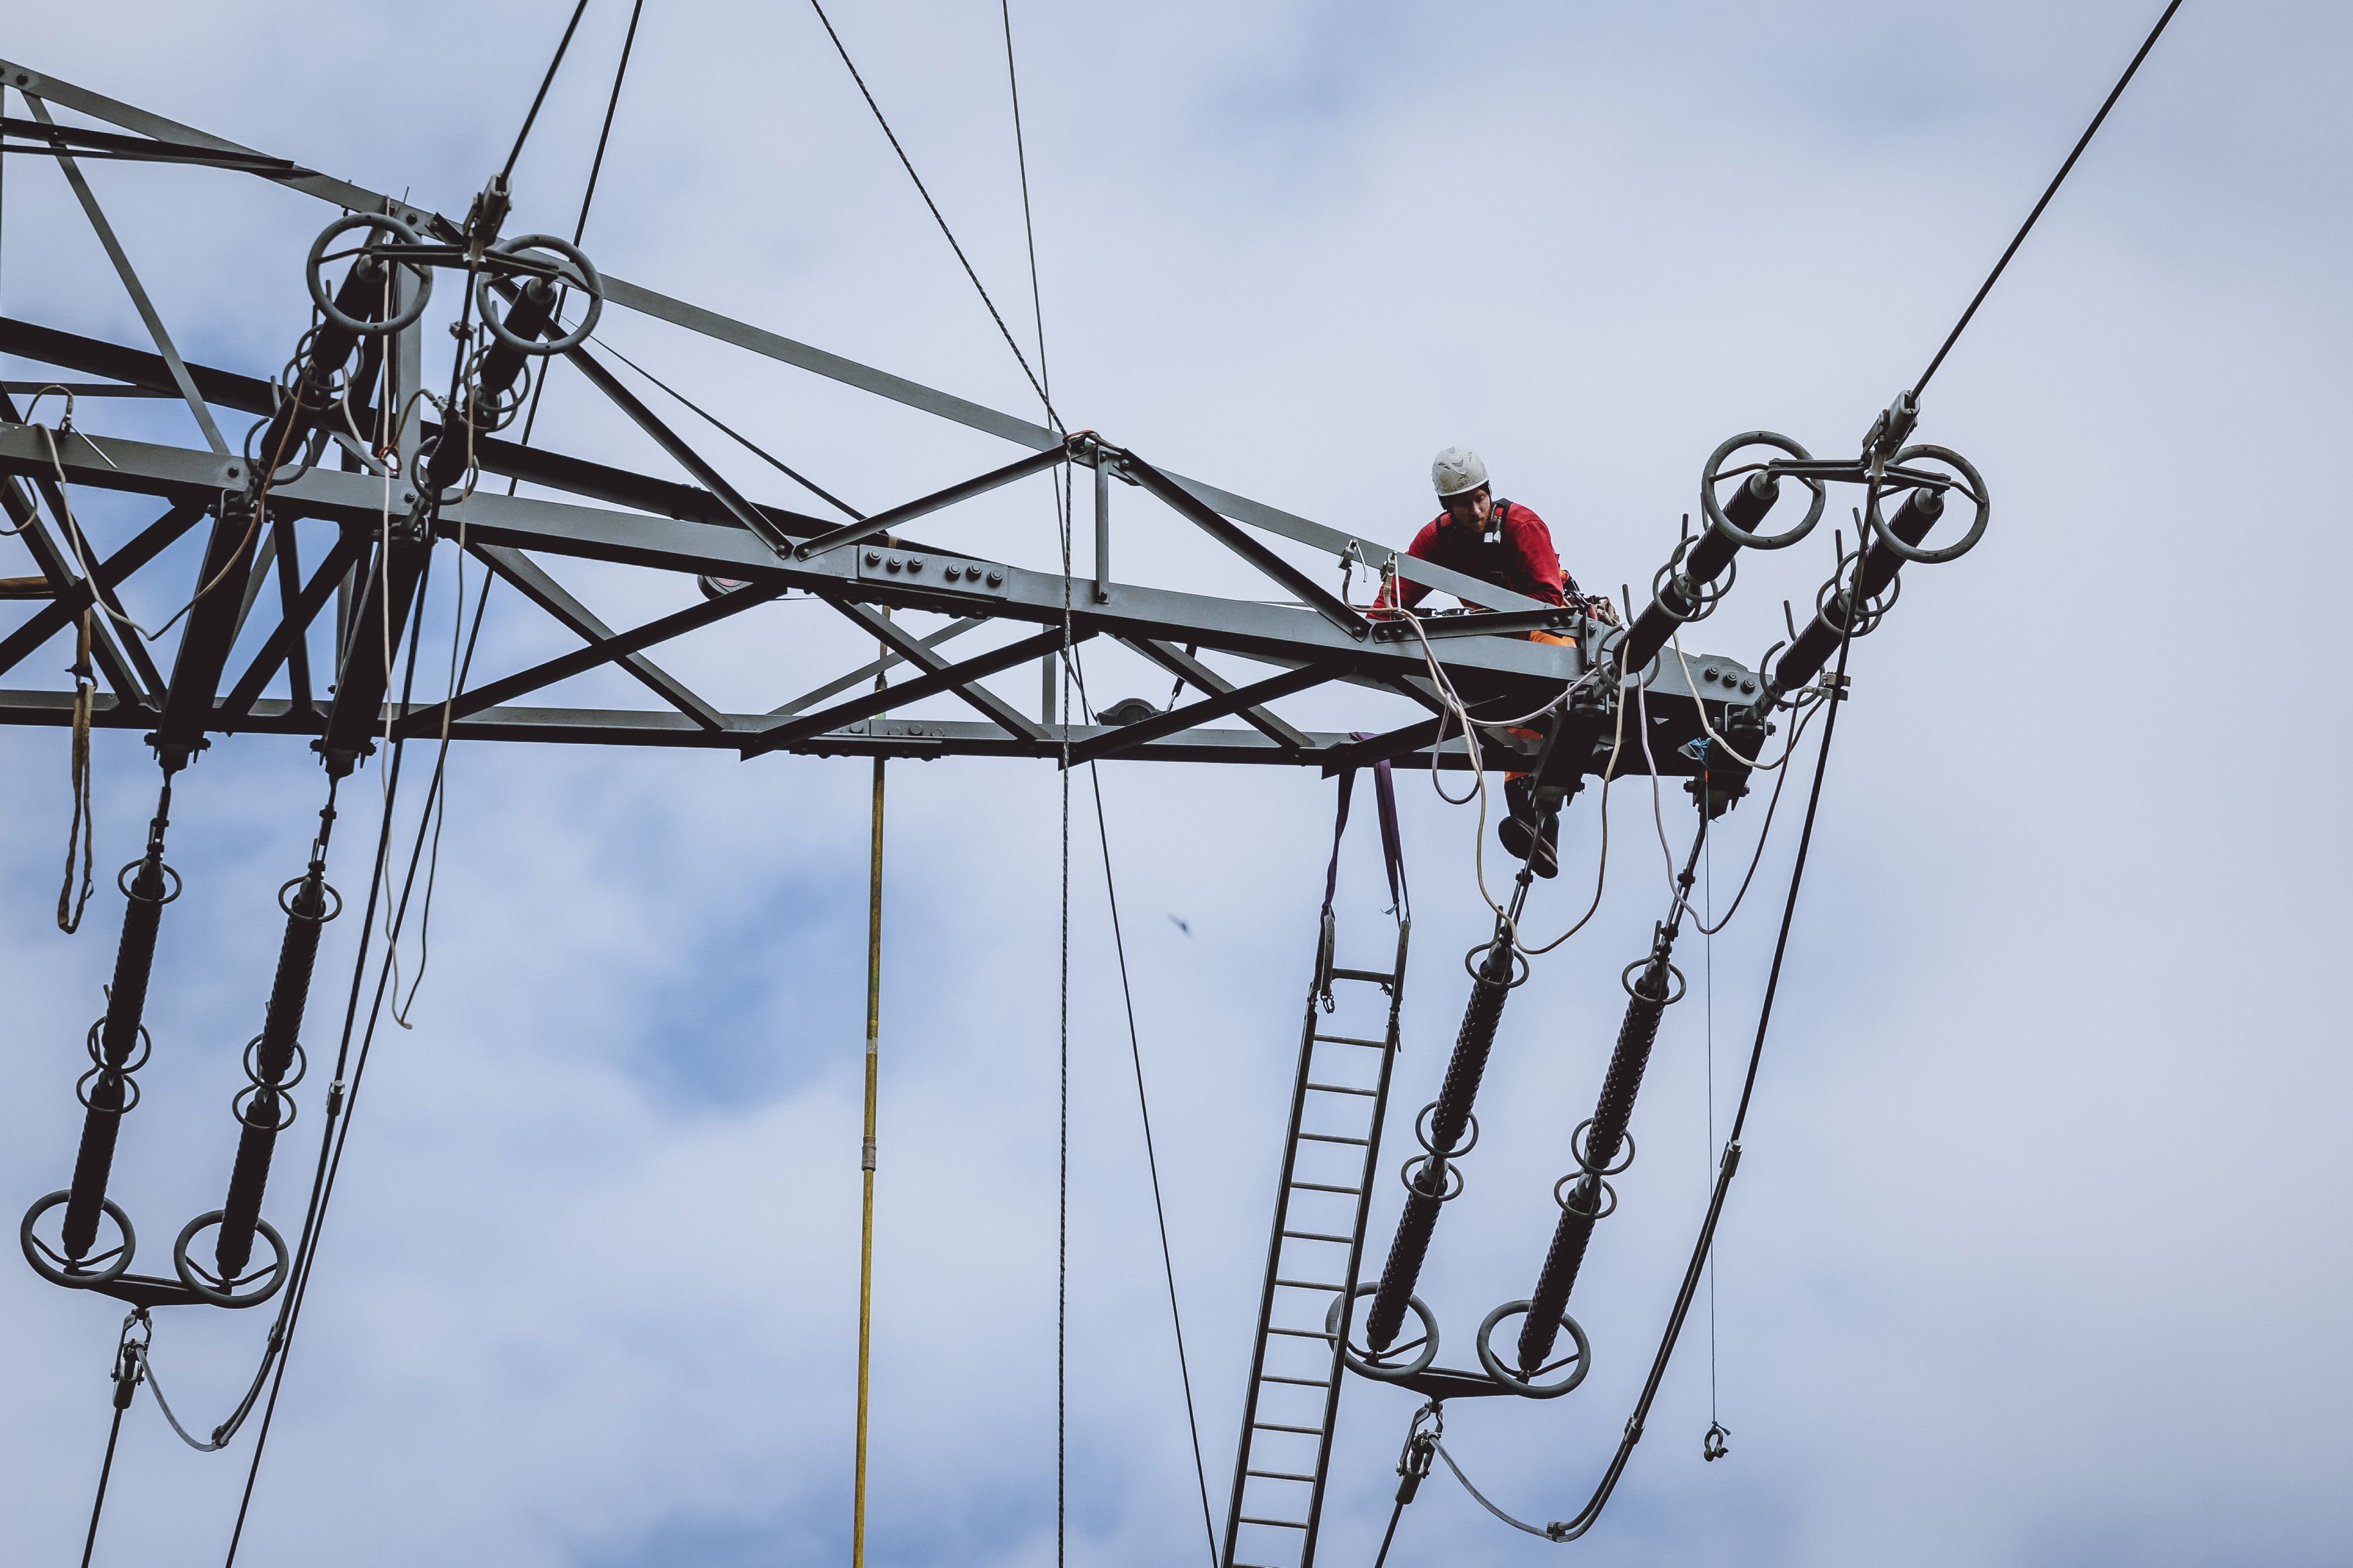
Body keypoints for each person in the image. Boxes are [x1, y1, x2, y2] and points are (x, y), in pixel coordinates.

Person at [1374, 447, 1613, 876]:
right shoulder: (1436, 541)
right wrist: (1366, 632)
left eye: (1480, 497)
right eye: (1464, 503)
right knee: (1510, 717)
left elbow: (1550, 602)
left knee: (1551, 674)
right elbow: (1396, 598)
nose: (1476, 509)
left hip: (1547, 630)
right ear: (1447, 507)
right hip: (1501, 642)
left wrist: (1488, 624)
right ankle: (1534, 824)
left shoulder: (1521, 525)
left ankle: (1570, 751)